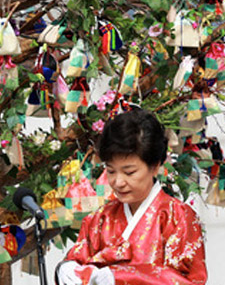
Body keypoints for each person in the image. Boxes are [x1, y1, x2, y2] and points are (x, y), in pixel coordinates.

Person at [56, 108, 207, 285]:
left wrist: (121, 277)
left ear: (155, 166)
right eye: (111, 171)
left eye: (129, 172)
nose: (118, 182)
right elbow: (78, 260)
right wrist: (67, 268)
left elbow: (189, 281)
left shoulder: (178, 218)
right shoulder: (100, 219)